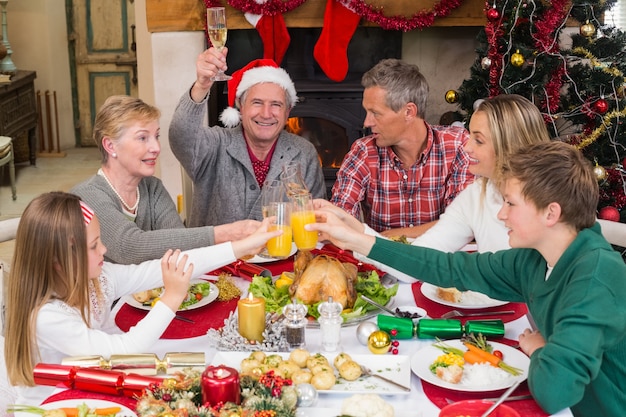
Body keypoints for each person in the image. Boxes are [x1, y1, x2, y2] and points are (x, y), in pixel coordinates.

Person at [310, 141, 626, 417]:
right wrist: (359, 239)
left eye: (511, 203)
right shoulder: (536, 258)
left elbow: (555, 391)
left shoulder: (594, 280)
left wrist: (539, 350)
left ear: (551, 214)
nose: (501, 214)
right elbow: (451, 268)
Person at [3, 192, 279, 405]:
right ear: (59, 261)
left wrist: (241, 246)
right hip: (53, 404)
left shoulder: (96, 279)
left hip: (89, 382)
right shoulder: (47, 317)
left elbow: (158, 269)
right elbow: (125, 349)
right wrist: (171, 298)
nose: (105, 249)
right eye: (94, 245)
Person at [320, 94, 552, 280]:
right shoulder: (475, 196)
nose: (467, 148)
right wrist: (356, 231)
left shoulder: (551, 200)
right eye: (470, 136)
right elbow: (420, 259)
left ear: (509, 146)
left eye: (478, 140)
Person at [71, 95, 260, 264]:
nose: (156, 148)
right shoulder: (86, 196)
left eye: (156, 136)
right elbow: (130, 247)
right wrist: (225, 233)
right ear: (110, 145)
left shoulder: (152, 187)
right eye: (143, 138)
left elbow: (180, 243)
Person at [169, 49, 326, 228]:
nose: (266, 114)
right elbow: (180, 134)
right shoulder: (215, 144)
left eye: (276, 104)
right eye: (257, 103)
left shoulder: (304, 152)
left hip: (285, 255)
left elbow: (316, 219)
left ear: (287, 112)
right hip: (221, 256)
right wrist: (201, 85)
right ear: (241, 106)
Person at [330, 58, 474, 238]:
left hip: (441, 260)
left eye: (375, 113)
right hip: (381, 263)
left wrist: (389, 237)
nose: (367, 122)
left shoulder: (458, 145)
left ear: (408, 112)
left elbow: (463, 223)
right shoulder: (364, 152)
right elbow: (339, 217)